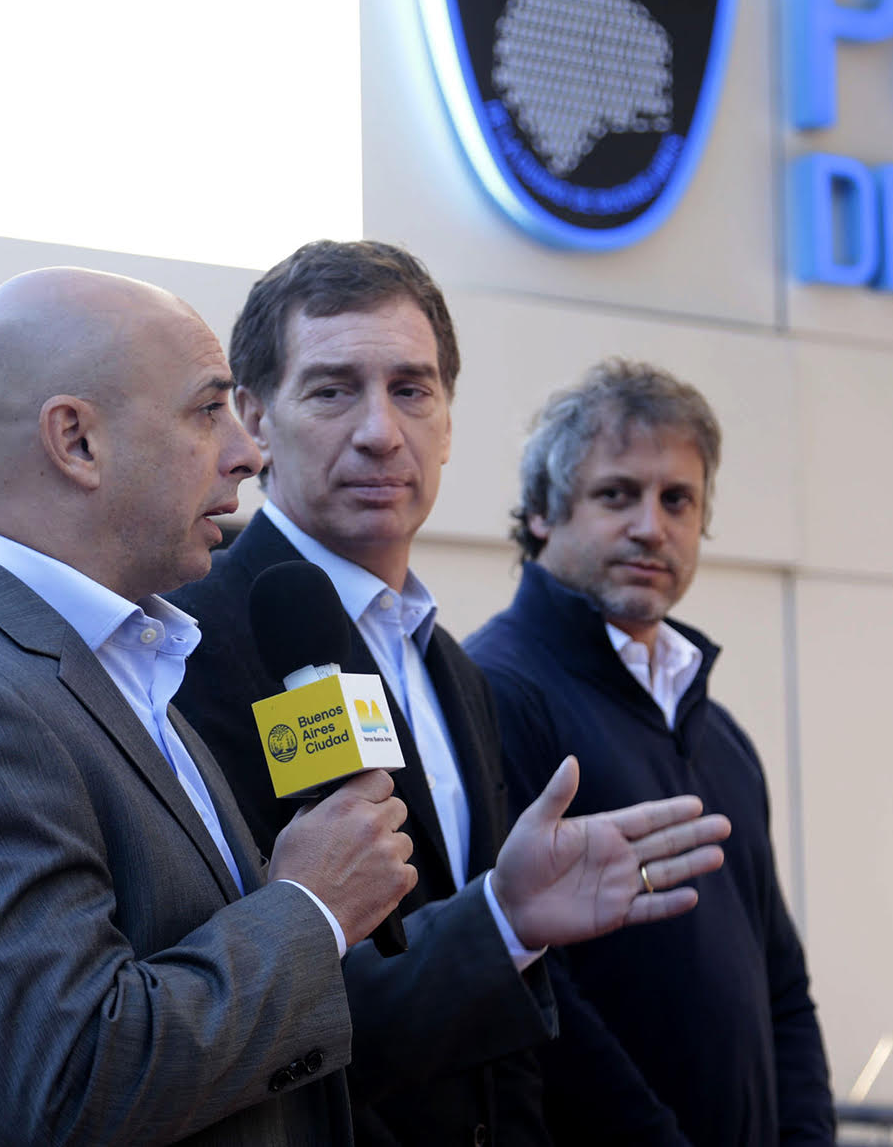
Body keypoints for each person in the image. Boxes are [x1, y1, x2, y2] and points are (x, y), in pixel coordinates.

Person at [0, 269, 730, 1147]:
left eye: (413, 390)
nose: (245, 455)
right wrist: (309, 908)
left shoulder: (132, 668)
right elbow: (69, 1082)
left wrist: (499, 914)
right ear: (77, 441)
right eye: (207, 410)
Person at [167, 240, 542, 1144]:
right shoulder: (182, 648)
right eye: (333, 391)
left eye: (412, 390)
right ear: (253, 420)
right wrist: (504, 920)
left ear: (448, 423)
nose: (381, 431)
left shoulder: (456, 668)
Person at [466, 360, 836, 1146]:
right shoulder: (493, 692)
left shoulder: (721, 733)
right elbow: (532, 991)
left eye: (678, 499)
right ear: (543, 513)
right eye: (617, 493)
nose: (651, 526)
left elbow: (783, 985)